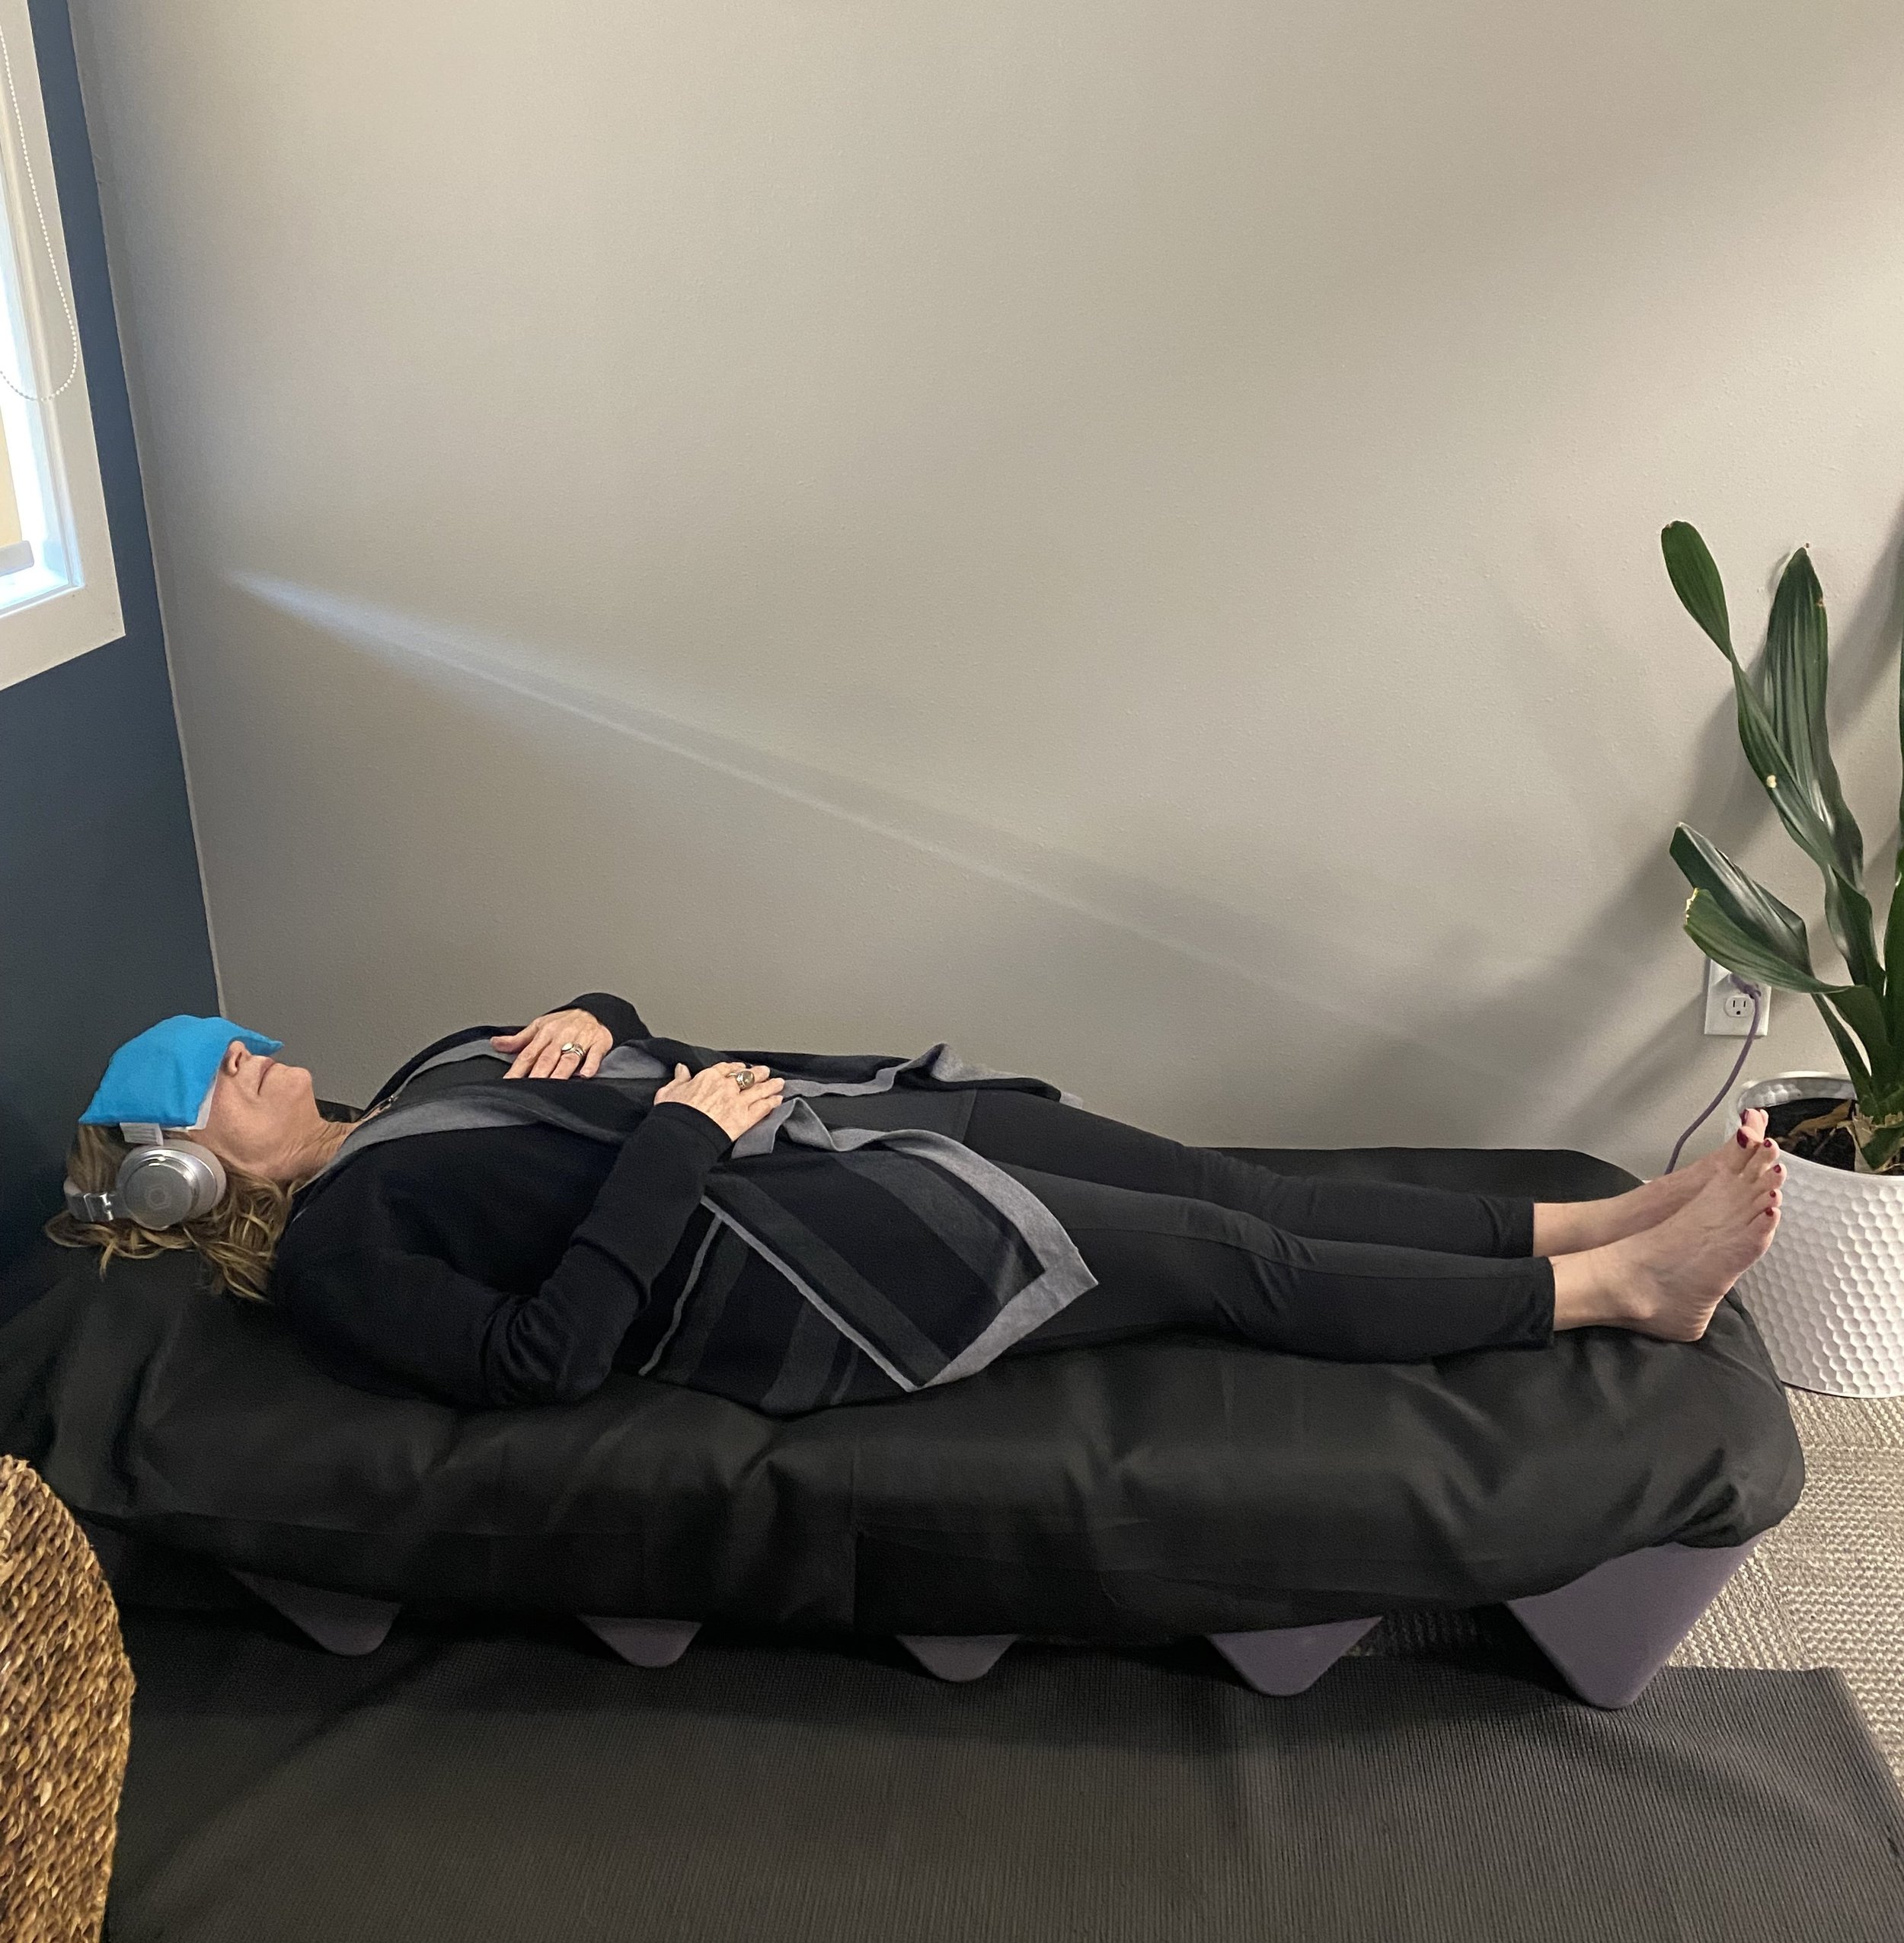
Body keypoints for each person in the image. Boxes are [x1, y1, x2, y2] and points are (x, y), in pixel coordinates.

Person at [46, 990, 1785, 1415]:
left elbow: (631, 1044)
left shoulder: (419, 1076)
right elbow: (543, 1354)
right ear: (183, 1175)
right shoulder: (343, 1251)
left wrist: (593, 1013)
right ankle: (1617, 1296)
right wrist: (679, 1142)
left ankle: (1579, 1222)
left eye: (231, 1039)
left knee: (1229, 1179)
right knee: (1225, 1257)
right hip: (819, 1255)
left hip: (852, 1128)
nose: (248, 1056)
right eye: (208, 1081)